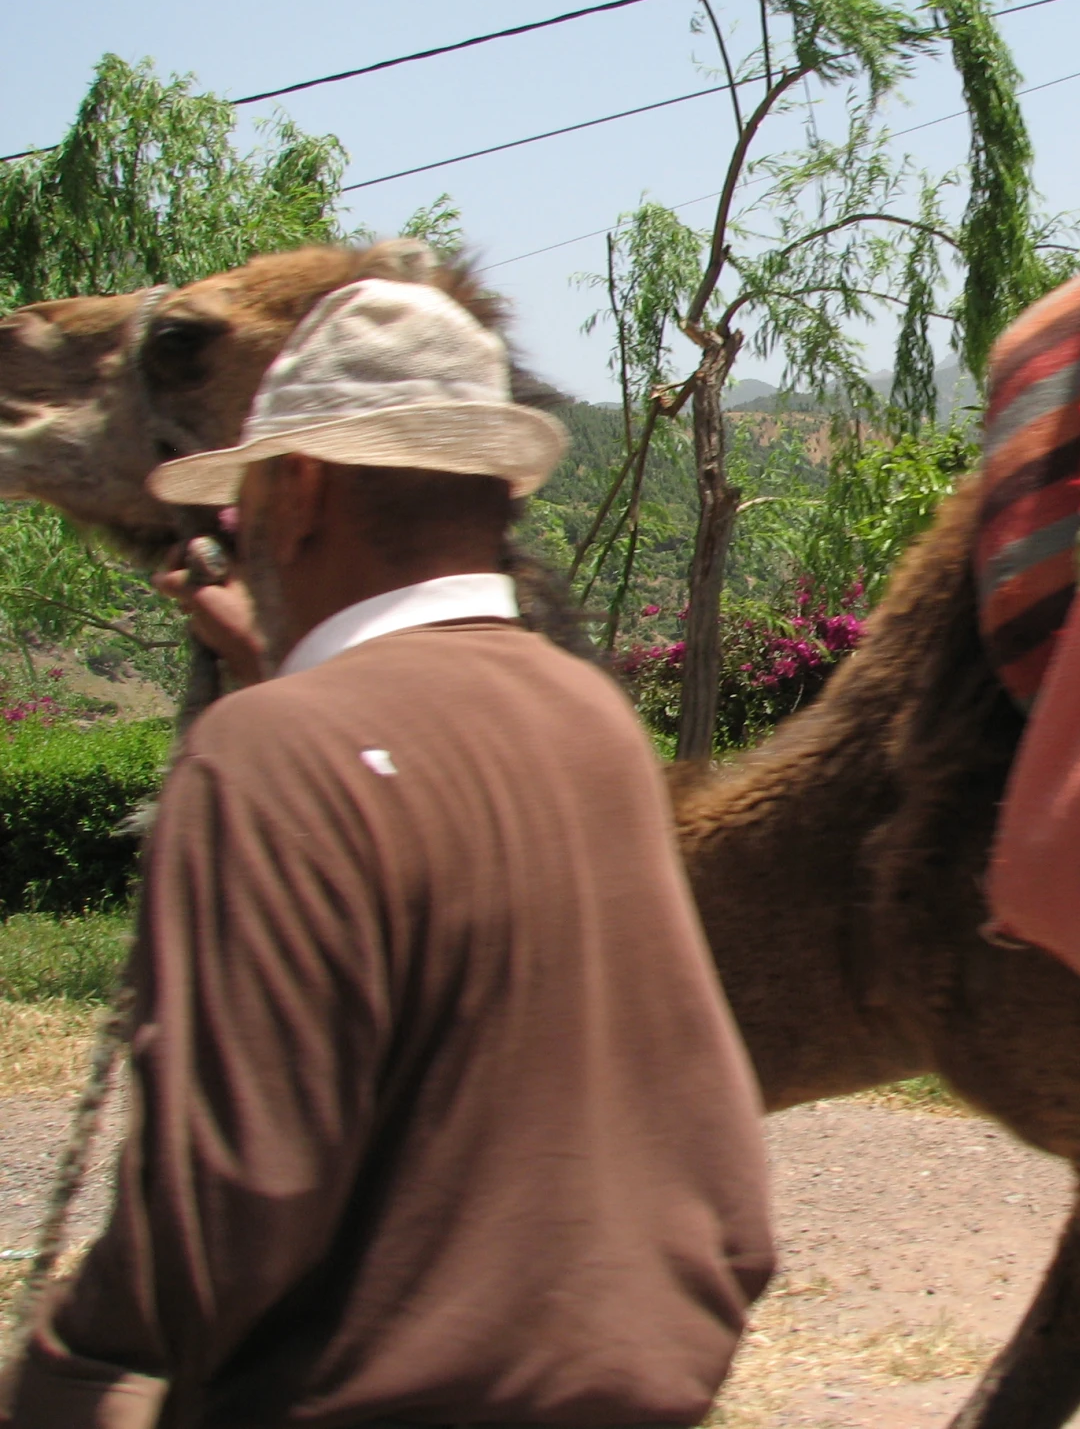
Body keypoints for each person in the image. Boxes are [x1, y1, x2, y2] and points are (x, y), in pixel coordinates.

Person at [0, 278, 775, 1429]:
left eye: (249, 501)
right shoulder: (594, 724)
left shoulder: (267, 755)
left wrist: (60, 1360)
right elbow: (722, 1184)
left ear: (298, 490)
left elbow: (218, 1227)